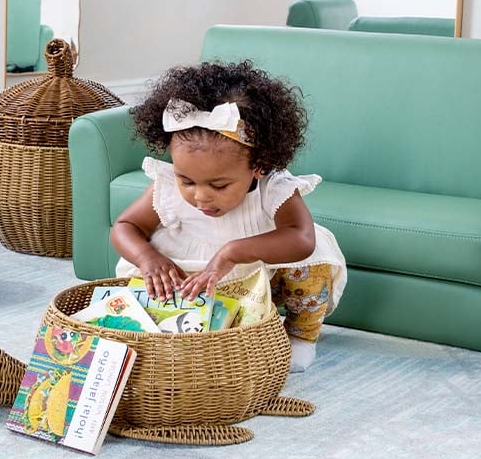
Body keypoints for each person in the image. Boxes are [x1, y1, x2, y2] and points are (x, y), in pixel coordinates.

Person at [111, 60, 347, 372]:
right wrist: (147, 258)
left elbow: (302, 240)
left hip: (256, 278)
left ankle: (300, 338)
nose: (200, 196)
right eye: (187, 181)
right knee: (149, 288)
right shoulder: (166, 186)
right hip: (190, 280)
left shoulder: (273, 188)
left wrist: (233, 251)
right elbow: (125, 226)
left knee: (312, 263)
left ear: (259, 166)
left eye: (219, 185)